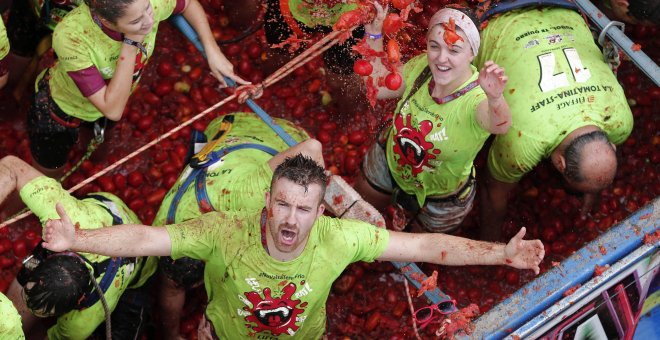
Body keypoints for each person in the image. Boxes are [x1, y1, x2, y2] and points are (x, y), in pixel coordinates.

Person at [42, 154, 545, 338]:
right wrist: (77, 239)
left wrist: (500, 253)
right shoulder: (225, 232)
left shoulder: (341, 237)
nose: (290, 219)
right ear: (268, 200)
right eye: (283, 205)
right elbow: (150, 239)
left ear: (321, 209)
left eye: (304, 209)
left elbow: (425, 247)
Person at [27, 0, 249, 178]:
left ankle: (91, 156)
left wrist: (212, 49)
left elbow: (188, 4)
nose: (149, 21)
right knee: (50, 171)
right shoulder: (73, 37)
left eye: (147, 9)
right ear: (105, 20)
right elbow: (112, 108)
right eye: (135, 21)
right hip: (61, 111)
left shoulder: (148, 6)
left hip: (116, 97)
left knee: (98, 148)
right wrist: (132, 42)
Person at [474, 0, 634, 241]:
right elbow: (493, 190)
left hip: (562, 6)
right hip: (490, 13)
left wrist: (592, 188)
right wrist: (490, 245)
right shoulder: (524, 143)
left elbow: (599, 155)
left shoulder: (620, 119)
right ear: (559, 163)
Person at [354, 4, 511, 233]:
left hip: (441, 199)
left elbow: (501, 126)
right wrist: (375, 32)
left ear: (472, 53)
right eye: (434, 46)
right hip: (388, 163)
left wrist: (495, 98)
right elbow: (378, 87)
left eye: (454, 51)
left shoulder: (477, 97)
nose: (441, 59)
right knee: (358, 216)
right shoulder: (421, 67)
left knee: (414, 251)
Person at [0, 155, 157, 339]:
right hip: (106, 212)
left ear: (76, 306)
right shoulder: (65, 215)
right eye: (27, 289)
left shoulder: (81, 323)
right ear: (50, 255)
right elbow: (11, 165)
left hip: (142, 267)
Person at [224, 0, 369, 115]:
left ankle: (348, 114)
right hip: (293, 8)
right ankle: (272, 86)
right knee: (280, 52)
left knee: (343, 75)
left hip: (352, 16)